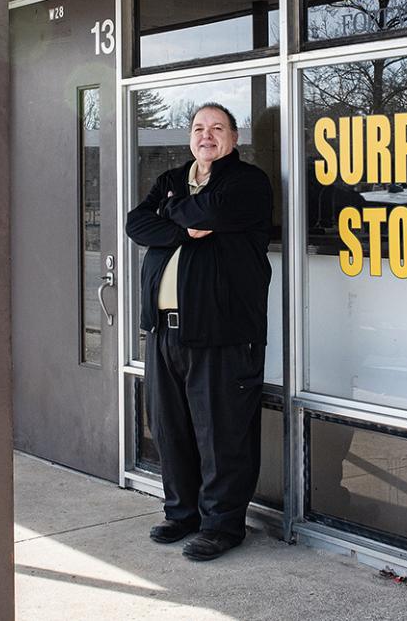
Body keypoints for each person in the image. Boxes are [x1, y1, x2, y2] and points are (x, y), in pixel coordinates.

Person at [126, 102, 273, 561]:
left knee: (221, 432)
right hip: (166, 331)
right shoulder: (172, 179)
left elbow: (205, 214)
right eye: (198, 127)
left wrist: (174, 216)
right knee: (172, 429)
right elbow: (135, 223)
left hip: (222, 330)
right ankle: (182, 513)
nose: (206, 135)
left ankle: (223, 526)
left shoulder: (247, 182)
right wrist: (179, 225)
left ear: (234, 137)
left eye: (217, 128)